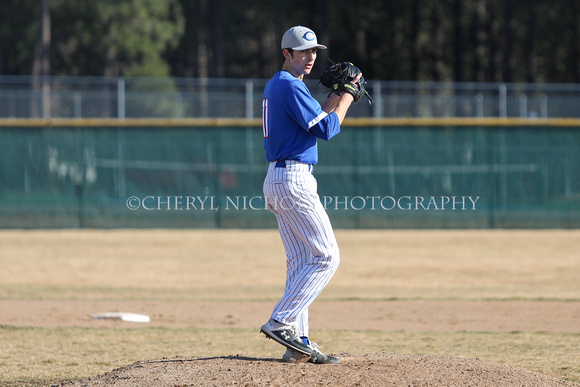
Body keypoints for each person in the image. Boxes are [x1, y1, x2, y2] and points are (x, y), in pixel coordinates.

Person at [259, 25, 361, 364]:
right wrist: (347, 95)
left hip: (278, 177)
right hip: (293, 180)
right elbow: (328, 129)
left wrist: (335, 96)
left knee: (301, 262)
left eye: (314, 51)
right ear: (286, 54)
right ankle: (281, 322)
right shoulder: (291, 86)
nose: (310, 57)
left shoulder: (280, 84)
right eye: (303, 52)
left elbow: (315, 120)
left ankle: (297, 342)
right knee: (327, 257)